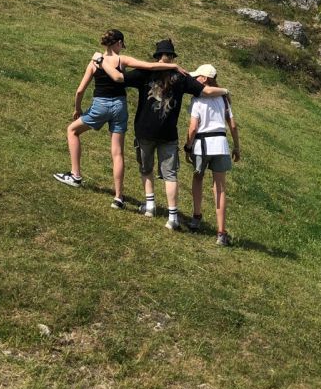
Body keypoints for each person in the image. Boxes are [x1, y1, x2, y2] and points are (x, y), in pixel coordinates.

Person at [107, 38, 229, 230]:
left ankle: (150, 206)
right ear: (172, 57)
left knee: (146, 168)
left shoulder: (145, 72)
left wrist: (102, 61)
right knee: (170, 175)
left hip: (145, 130)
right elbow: (205, 91)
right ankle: (172, 217)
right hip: (168, 134)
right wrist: (225, 90)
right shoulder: (181, 76)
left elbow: (119, 78)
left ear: (157, 56)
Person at [53, 29, 183, 208]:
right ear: (119, 43)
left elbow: (80, 90)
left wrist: (78, 108)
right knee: (117, 153)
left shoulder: (95, 62)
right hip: (120, 107)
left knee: (72, 130)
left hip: (100, 105)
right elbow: (150, 66)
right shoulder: (122, 60)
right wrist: (173, 66)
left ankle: (75, 175)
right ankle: (118, 197)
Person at [184, 64, 240, 247]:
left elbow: (193, 128)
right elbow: (233, 125)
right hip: (221, 145)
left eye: (197, 77)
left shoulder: (197, 98)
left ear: (205, 79)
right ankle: (221, 232)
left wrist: (188, 146)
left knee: (198, 178)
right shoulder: (223, 99)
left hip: (202, 145)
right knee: (220, 188)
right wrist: (237, 147)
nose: (195, 80)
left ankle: (196, 217)